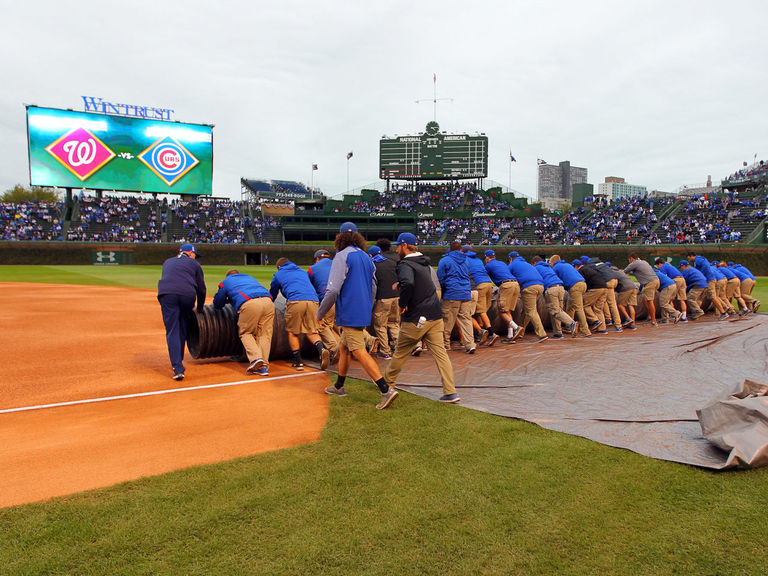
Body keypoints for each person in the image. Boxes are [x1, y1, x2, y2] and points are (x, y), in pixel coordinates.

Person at [318, 222, 398, 410]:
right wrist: (367, 307)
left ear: (340, 237)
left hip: (349, 310)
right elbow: (374, 286)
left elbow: (333, 290)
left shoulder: (341, 256)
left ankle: (386, 389)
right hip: (363, 308)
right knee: (344, 348)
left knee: (358, 351)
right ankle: (339, 386)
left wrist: (320, 313)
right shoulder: (365, 256)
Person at [383, 232, 460, 403]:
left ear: (404, 246)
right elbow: (418, 284)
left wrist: (402, 303)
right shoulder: (424, 263)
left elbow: (409, 283)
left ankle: (386, 385)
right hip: (435, 315)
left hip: (416, 317)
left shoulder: (405, 264)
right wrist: (400, 285)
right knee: (441, 354)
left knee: (400, 352)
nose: (396, 250)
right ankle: (451, 392)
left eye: (398, 246)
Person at [270, 257, 330, 371]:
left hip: (296, 301)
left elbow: (273, 293)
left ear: (279, 267)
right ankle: (322, 350)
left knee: (293, 332)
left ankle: (298, 362)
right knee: (311, 330)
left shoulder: (279, 274)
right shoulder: (301, 271)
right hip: (313, 301)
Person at [157, 243, 206, 380]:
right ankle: (179, 361)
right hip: (187, 295)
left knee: (172, 329)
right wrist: (201, 307)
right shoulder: (194, 264)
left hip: (167, 295)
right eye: (195, 255)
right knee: (183, 326)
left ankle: (177, 367)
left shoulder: (167, 262)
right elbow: (201, 288)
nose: (195, 258)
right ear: (190, 253)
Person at [213, 269, 274, 375]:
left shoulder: (226, 281)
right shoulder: (249, 277)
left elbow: (218, 303)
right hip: (268, 302)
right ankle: (263, 367)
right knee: (264, 334)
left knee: (246, 332)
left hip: (250, 304)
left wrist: (228, 299)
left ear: (227, 276)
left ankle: (256, 359)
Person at [437, 241, 476, 354]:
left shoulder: (444, 260)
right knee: (466, 320)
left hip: (452, 293)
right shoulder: (466, 260)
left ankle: (445, 344)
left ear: (450, 249)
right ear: (460, 250)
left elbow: (441, 278)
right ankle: (470, 344)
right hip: (465, 293)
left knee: (447, 320)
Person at [307, 249, 341, 361]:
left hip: (327, 300)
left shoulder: (312, 269)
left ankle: (334, 349)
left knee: (321, 325)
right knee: (336, 326)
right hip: (342, 300)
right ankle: (341, 349)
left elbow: (310, 287)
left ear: (317, 259)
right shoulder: (337, 264)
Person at [507, 252, 548, 342]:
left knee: (531, 311)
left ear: (510, 259)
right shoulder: (526, 264)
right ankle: (520, 332)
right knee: (526, 311)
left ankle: (542, 334)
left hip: (529, 287)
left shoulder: (512, 264)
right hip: (540, 286)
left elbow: (506, 278)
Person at [484, 249, 523, 341]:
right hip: (515, 284)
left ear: (486, 257)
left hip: (506, 285)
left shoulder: (488, 265)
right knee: (507, 310)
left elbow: (484, 277)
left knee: (501, 311)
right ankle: (510, 335)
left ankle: (516, 328)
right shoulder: (501, 263)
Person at [369, 245, 400, 360]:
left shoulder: (372, 265)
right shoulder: (392, 262)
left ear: (371, 255)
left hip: (383, 298)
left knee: (380, 325)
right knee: (394, 323)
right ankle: (399, 348)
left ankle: (385, 351)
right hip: (396, 297)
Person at [532, 255, 574, 339]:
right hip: (561, 288)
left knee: (555, 311)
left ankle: (571, 323)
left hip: (551, 289)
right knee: (558, 311)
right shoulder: (548, 267)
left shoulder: (536, 268)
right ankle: (558, 333)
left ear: (534, 263)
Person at [549, 254, 590, 337]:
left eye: (550, 263)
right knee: (570, 306)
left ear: (553, 262)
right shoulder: (567, 264)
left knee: (579, 308)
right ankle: (569, 327)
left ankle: (585, 330)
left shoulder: (556, 267)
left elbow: (554, 279)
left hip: (575, 286)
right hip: (582, 284)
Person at [465, 250, 495, 345]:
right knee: (481, 311)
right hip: (489, 284)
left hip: (479, 285)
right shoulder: (478, 260)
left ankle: (490, 333)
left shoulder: (464, 259)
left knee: (480, 311)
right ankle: (480, 334)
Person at [687, 251, 727, 319]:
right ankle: (697, 312)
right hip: (708, 280)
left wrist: (701, 275)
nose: (688, 259)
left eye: (688, 257)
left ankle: (723, 312)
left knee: (712, 296)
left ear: (691, 256)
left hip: (709, 280)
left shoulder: (698, 260)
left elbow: (705, 267)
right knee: (704, 297)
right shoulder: (699, 260)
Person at [573, 260, 608, 333]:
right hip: (604, 287)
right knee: (598, 309)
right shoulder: (588, 268)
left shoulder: (581, 271)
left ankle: (595, 320)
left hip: (595, 288)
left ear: (576, 266)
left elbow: (582, 282)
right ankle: (602, 329)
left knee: (584, 304)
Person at [624, 253, 659, 326]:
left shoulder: (634, 263)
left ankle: (653, 321)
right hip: (656, 281)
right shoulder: (644, 262)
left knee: (650, 301)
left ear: (632, 258)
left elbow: (624, 271)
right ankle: (650, 316)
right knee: (644, 298)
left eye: (629, 259)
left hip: (650, 282)